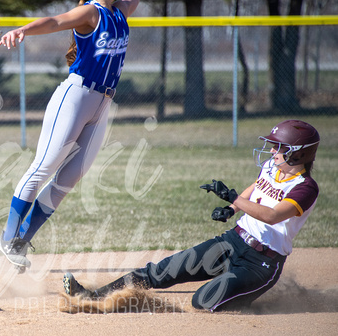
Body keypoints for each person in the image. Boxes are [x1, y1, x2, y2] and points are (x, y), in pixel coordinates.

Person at [63, 119, 320, 311]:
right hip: (234, 241)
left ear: (299, 153)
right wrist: (233, 209)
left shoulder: (305, 188)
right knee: (159, 271)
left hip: (260, 263)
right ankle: (91, 297)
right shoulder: (270, 167)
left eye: (279, 147)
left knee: (202, 301)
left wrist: (232, 197)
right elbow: (257, 187)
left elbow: (273, 215)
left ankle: (242, 293)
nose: (273, 151)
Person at [0, 0, 144, 271]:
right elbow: (55, 21)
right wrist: (23, 30)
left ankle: (22, 242)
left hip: (102, 104)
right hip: (75, 97)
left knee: (68, 178)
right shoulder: (91, 13)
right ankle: (7, 238)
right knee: (43, 167)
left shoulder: (119, 12)